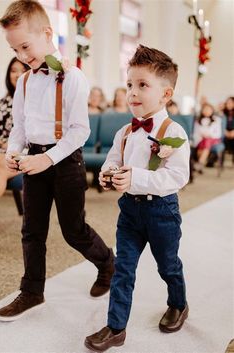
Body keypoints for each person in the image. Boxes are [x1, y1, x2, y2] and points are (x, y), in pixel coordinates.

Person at [0, 0, 114, 322]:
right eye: (14, 49)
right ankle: (32, 291)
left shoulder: (72, 77)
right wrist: (13, 151)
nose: (21, 56)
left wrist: (46, 159)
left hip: (65, 162)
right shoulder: (24, 81)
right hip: (33, 159)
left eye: (25, 46)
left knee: (72, 230)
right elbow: (19, 127)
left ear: (47, 33)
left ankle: (107, 263)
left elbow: (80, 131)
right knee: (31, 230)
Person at [85, 45, 190, 352]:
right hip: (129, 211)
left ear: (165, 94)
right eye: (130, 84)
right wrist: (108, 174)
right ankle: (116, 327)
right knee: (123, 269)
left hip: (162, 212)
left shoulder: (175, 133)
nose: (132, 92)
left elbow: (177, 177)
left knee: (168, 265)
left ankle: (178, 304)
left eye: (143, 85)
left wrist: (137, 177)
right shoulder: (124, 132)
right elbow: (112, 160)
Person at [0, 57, 29, 198]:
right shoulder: (2, 102)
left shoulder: (35, 101)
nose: (17, 75)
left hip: (24, 153)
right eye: (13, 71)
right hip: (1, 150)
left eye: (23, 70)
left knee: (1, 168)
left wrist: (7, 146)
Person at [193, 103, 222, 173]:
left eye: (209, 109)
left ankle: (200, 162)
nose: (207, 111)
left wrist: (209, 135)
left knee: (207, 141)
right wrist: (202, 135)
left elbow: (218, 133)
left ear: (212, 111)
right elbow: (196, 132)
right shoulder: (198, 120)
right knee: (203, 144)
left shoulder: (217, 120)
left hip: (214, 139)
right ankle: (201, 164)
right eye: (205, 109)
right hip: (201, 139)